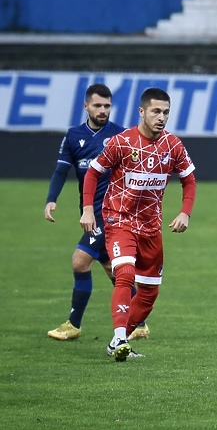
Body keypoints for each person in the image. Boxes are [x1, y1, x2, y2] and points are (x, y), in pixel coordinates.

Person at [80, 87, 197, 361]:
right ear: (141, 112)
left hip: (151, 227)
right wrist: (88, 209)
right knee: (125, 275)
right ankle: (121, 337)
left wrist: (185, 213)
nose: (162, 117)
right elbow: (93, 173)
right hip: (119, 220)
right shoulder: (122, 142)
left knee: (148, 295)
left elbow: (189, 180)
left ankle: (116, 342)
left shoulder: (173, 145)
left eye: (166, 112)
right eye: (156, 111)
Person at [45, 83, 149, 342]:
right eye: (98, 105)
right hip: (89, 212)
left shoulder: (121, 136)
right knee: (113, 271)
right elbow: (61, 170)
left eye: (107, 106)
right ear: (86, 106)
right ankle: (140, 323)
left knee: (79, 262)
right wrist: (51, 199)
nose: (103, 110)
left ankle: (74, 324)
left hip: (111, 214)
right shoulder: (72, 136)